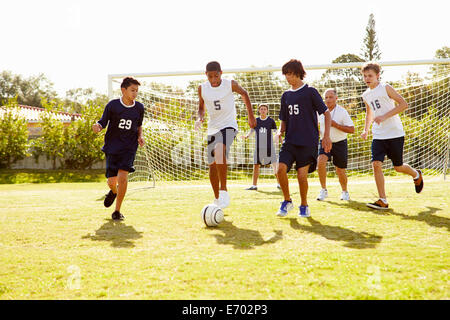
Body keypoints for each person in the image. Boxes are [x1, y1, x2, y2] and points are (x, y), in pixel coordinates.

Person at [360, 63, 423, 210]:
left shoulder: (386, 88)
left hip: (394, 133)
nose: (367, 78)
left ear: (377, 76)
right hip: (378, 135)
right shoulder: (365, 95)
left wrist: (384, 116)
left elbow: (403, 104)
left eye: (370, 75)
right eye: (364, 76)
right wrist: (366, 129)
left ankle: (416, 174)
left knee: (398, 167)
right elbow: (369, 113)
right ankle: (383, 200)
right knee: (376, 163)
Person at [275, 59, 332, 218]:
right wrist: (280, 131)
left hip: (308, 142)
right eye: (286, 74)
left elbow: (326, 113)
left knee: (301, 176)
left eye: (290, 74)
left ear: (299, 73)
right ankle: (287, 201)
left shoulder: (310, 91)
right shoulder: (285, 95)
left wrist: (326, 136)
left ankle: (304, 205)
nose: (288, 77)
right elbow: (284, 119)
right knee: (280, 169)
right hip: (290, 141)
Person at [195, 61, 256, 209]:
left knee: (219, 149)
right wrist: (199, 118)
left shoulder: (230, 84)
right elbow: (201, 108)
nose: (214, 80)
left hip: (229, 125)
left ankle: (224, 190)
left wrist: (251, 116)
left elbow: (244, 93)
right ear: (206, 75)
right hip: (212, 127)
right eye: (210, 77)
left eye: (216, 76)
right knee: (212, 165)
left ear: (221, 73)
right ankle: (217, 200)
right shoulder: (202, 88)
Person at [92, 77, 145, 220]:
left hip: (129, 148)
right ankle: (113, 192)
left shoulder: (139, 107)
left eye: (136, 91)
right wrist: (98, 126)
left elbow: (139, 125)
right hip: (112, 147)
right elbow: (102, 122)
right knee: (111, 182)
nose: (135, 93)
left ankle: (117, 211)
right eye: (132, 90)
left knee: (123, 178)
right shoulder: (113, 106)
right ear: (123, 90)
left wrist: (140, 136)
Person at [317, 88, 355, 201]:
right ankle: (323, 190)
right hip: (324, 142)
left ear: (336, 98)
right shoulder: (319, 112)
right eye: (326, 97)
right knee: (320, 161)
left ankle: (344, 192)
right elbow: (317, 127)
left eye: (331, 97)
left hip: (340, 143)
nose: (328, 100)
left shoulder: (342, 112)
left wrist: (336, 125)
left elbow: (352, 129)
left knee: (340, 170)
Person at [242, 103, 280, 191]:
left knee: (274, 165)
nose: (263, 110)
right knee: (256, 165)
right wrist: (247, 136)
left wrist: (277, 139)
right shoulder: (256, 120)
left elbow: (276, 132)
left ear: (267, 111)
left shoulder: (271, 121)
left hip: (269, 146)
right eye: (261, 109)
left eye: (264, 109)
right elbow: (251, 130)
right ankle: (254, 185)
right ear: (259, 110)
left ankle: (279, 183)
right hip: (259, 147)